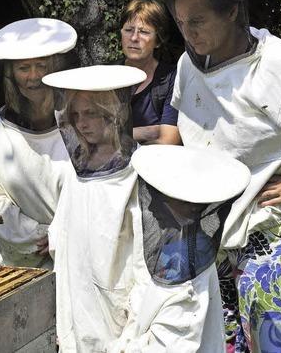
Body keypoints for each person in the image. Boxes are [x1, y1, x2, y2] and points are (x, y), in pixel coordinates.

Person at [143, 0, 281, 352]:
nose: (188, 33)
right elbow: (179, 134)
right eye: (179, 22)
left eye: (197, 21)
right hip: (210, 237)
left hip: (270, 238)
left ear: (232, 10)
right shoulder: (186, 65)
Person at [108, 144, 251, 353]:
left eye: (163, 199)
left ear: (193, 207)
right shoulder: (179, 243)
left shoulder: (190, 272)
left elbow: (172, 343)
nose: (152, 206)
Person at [43, 64, 146, 351]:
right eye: (75, 115)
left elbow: (144, 253)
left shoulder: (140, 171)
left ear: (111, 112)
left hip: (118, 306)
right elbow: (63, 235)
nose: (81, 123)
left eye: (89, 113)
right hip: (76, 298)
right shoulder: (73, 170)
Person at [0, 18, 76, 269]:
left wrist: (63, 234)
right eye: (23, 68)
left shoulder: (81, 122)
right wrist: (36, 236)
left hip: (73, 257)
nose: (34, 77)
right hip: (15, 262)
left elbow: (95, 189)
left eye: (42, 65)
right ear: (10, 75)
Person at [118, 0, 180, 145]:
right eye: (128, 30)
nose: (134, 38)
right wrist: (149, 131)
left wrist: (117, 134)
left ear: (158, 40)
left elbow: (168, 141)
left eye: (144, 32)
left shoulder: (171, 78)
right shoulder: (106, 75)